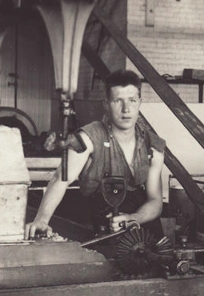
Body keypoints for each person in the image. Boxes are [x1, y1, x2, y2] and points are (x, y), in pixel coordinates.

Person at [24, 69, 165, 241]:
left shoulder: (152, 146)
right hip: (95, 218)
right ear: (106, 103)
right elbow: (61, 179)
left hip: (137, 219)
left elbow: (155, 200)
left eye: (132, 101)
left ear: (140, 102)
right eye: (117, 101)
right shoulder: (88, 138)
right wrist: (41, 220)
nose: (126, 109)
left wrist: (134, 218)